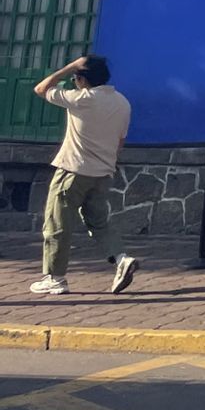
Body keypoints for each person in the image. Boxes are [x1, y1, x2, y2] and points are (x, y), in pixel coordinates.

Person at [30, 55, 136, 297]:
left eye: (76, 77)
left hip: (73, 171)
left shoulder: (81, 99)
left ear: (82, 78)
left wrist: (69, 66)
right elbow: (120, 141)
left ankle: (55, 278)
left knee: (57, 224)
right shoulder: (122, 103)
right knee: (99, 222)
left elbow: (41, 88)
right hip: (103, 173)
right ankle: (122, 258)